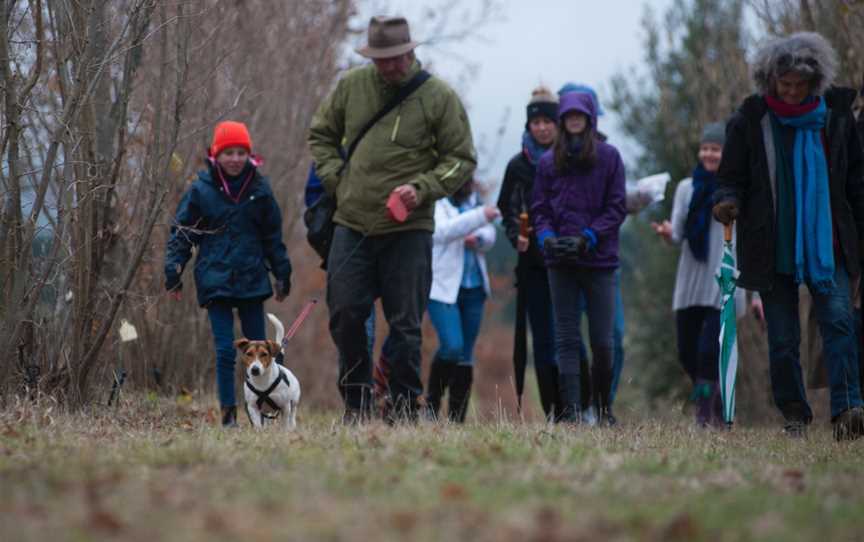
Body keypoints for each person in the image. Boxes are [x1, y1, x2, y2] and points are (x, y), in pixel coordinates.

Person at [308, 16, 476, 422]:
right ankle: (356, 403)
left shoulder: (438, 97)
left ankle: (402, 407)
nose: (389, 66)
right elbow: (321, 136)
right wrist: (337, 181)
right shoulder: (351, 86)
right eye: (381, 59)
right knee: (346, 314)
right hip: (352, 223)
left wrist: (421, 188)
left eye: (396, 58)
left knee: (405, 326)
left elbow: (461, 160)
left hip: (409, 230)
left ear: (410, 52)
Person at [712, 32, 864, 441]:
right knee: (782, 340)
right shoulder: (751, 119)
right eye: (785, 84)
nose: (792, 92)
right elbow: (730, 178)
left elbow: (856, 181)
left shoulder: (836, 117)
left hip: (829, 243)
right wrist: (727, 202)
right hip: (771, 244)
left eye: (800, 84)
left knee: (839, 323)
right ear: (770, 80)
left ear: (815, 82)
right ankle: (795, 415)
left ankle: (848, 409)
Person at [165, 121, 292, 427]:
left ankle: (265, 411)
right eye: (229, 153)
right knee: (225, 351)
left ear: (249, 155)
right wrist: (174, 269)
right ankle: (228, 416)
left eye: (240, 153)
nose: (235, 159)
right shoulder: (201, 190)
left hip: (251, 279)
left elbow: (272, 237)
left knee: (261, 350)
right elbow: (182, 233)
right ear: (216, 155)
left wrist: (282, 274)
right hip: (215, 280)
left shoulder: (260, 191)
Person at [532, 91, 626, 426]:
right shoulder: (547, 163)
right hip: (560, 262)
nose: (574, 120)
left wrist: (590, 237)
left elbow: (617, 206)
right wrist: (546, 239)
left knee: (603, 340)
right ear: (563, 119)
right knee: (567, 338)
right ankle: (571, 411)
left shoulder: (609, 157)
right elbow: (540, 208)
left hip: (599, 260)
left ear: (589, 118)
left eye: (579, 115)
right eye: (568, 115)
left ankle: (602, 409)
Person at [652, 122, 731, 426]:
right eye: (706, 148)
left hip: (721, 279)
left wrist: (752, 294)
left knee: (709, 350)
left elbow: (746, 238)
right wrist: (666, 232)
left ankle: (704, 415)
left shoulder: (733, 188)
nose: (709, 154)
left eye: (716, 149)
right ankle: (716, 400)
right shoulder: (687, 188)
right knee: (687, 352)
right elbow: (678, 233)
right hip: (690, 277)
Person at [498, 86, 562, 421]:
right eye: (536, 121)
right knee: (542, 340)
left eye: (548, 121)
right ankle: (553, 409)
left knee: (569, 337)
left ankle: (578, 407)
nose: (542, 128)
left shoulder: (571, 160)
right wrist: (515, 237)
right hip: (533, 266)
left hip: (568, 262)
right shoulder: (516, 166)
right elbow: (506, 208)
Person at [426, 181, 499, 422]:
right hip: (444, 288)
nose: (467, 181)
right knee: (451, 346)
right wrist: (478, 218)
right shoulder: (436, 202)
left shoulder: (474, 200)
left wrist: (477, 238)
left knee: (467, 354)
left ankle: (457, 420)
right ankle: (432, 404)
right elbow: (443, 232)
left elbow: (490, 235)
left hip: (474, 287)